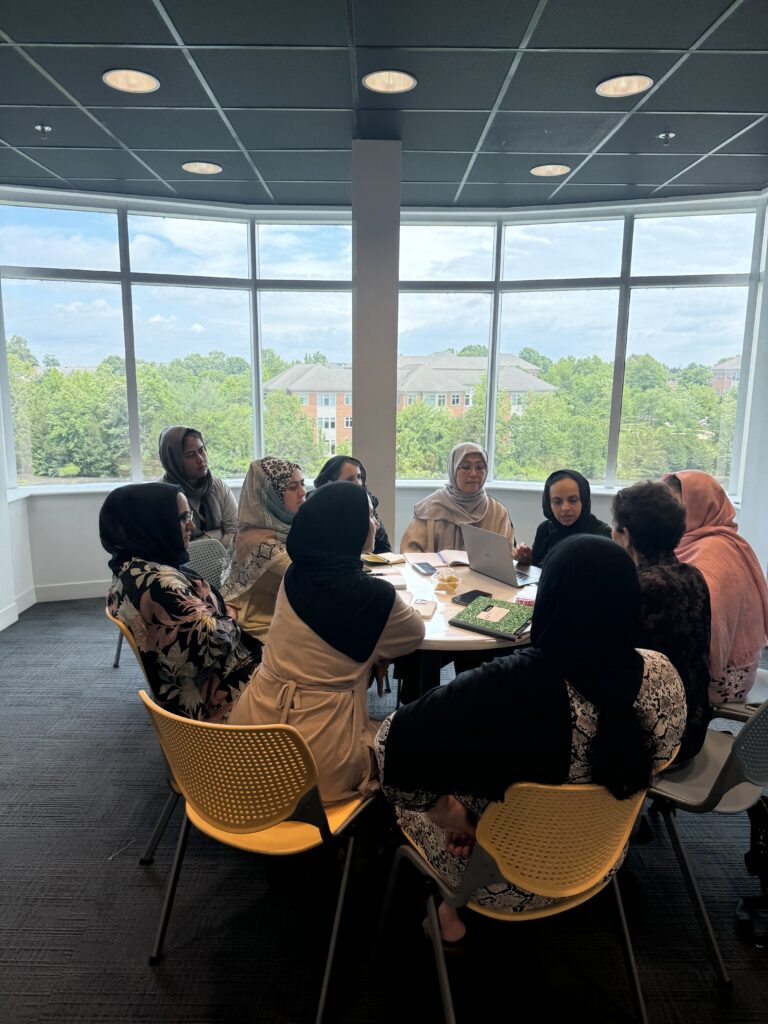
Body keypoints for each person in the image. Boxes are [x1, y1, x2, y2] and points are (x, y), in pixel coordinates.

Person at [374, 535, 686, 943]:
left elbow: (390, 749)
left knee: (394, 806)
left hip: (498, 871)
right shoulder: (661, 675)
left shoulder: (501, 688)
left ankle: (447, 910)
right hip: (599, 861)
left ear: (550, 596)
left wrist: (460, 817)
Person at [230, 482, 425, 804]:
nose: (375, 522)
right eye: (370, 515)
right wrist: (378, 651)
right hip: (318, 759)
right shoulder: (376, 597)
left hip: (252, 739)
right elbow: (413, 634)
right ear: (349, 527)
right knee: (416, 741)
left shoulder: (294, 575)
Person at [100, 483, 261, 722]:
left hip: (205, 682)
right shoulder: (159, 585)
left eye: (190, 515)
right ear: (152, 523)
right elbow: (216, 642)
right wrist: (229, 615)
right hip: (221, 699)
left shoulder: (130, 567)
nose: (192, 525)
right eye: (183, 517)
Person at [612, 480, 711, 761]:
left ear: (626, 535)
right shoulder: (693, 575)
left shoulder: (640, 587)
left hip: (659, 739)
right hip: (695, 723)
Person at [663, 470, 768, 706]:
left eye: (675, 506)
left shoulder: (713, 550)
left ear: (702, 506)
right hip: (737, 666)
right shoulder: (712, 540)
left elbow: (709, 624)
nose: (667, 514)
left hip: (723, 677)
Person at [219, 457, 305, 642]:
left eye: (302, 484)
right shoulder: (262, 542)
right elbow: (310, 577)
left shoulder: (283, 529)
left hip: (281, 617)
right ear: (269, 495)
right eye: (292, 487)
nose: (302, 492)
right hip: (258, 629)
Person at [400, 442, 514, 553]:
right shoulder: (430, 508)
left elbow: (508, 557)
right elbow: (410, 553)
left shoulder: (497, 512)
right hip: (437, 572)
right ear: (453, 469)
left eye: (480, 467)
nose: (474, 474)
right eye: (466, 467)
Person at [158, 426, 238, 548]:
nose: (201, 459)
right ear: (174, 461)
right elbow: (174, 547)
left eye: (201, 450)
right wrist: (217, 534)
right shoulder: (161, 494)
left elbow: (235, 532)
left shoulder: (218, 485)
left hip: (223, 563)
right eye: (190, 455)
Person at [514, 468, 611, 567]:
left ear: (584, 499)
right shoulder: (545, 529)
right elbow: (537, 573)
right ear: (548, 503)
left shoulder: (602, 535)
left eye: (573, 500)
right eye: (557, 502)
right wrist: (527, 560)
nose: (565, 508)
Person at [313, 455, 392, 553]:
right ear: (330, 484)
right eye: (350, 479)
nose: (358, 483)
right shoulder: (316, 510)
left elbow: (384, 549)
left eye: (359, 477)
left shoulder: (368, 503)